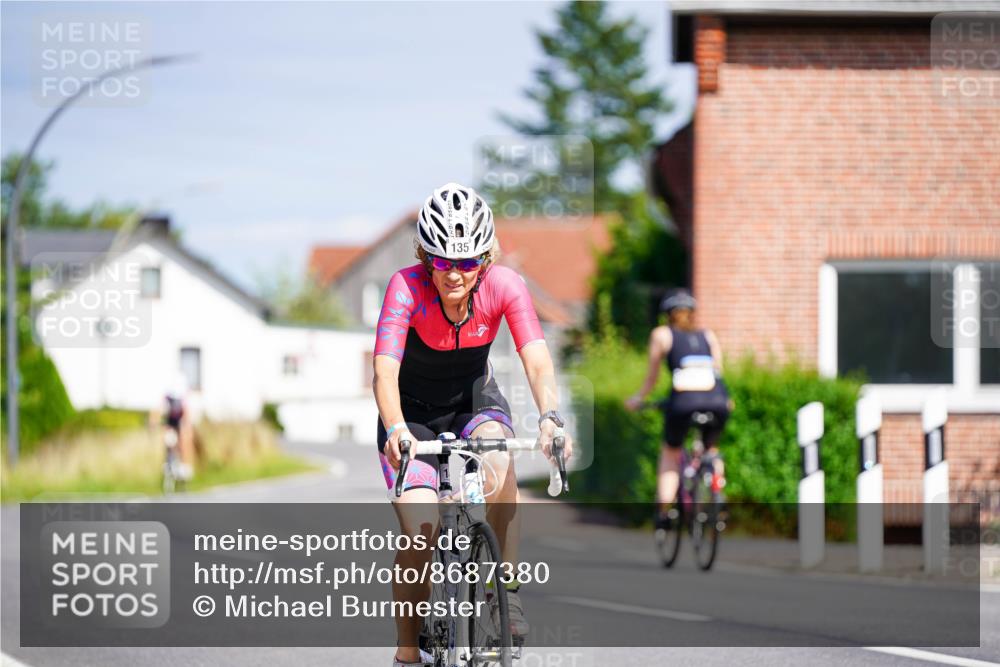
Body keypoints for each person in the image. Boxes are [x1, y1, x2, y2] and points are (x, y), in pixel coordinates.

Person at [373, 182, 573, 667]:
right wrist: (397, 427)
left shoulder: (505, 285)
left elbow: (538, 361)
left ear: (485, 259)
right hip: (411, 416)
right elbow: (383, 372)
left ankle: (504, 586)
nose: (455, 274)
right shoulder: (406, 287)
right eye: (443, 262)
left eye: (467, 262)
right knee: (419, 532)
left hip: (473, 402)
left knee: (498, 457)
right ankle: (406, 650)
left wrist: (549, 417)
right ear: (425, 257)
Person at [624, 289, 730, 523]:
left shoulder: (662, 334)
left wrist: (638, 398)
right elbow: (718, 372)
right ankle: (717, 490)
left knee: (671, 454)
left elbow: (651, 378)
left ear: (667, 314)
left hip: (683, 402)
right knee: (711, 448)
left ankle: (664, 509)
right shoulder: (708, 335)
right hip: (717, 401)